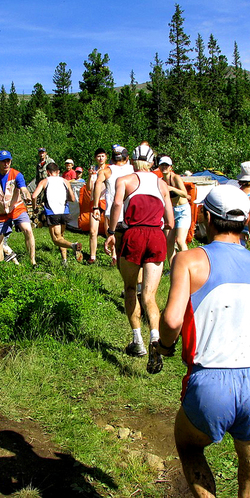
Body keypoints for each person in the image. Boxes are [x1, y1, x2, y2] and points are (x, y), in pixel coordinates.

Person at [155, 185, 250, 498]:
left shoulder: (189, 260)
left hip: (210, 381)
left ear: (207, 217)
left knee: (188, 444)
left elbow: (172, 321)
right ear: (243, 222)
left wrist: (166, 346)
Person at [104, 144, 173, 373]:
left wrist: (112, 233)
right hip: (156, 236)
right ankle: (155, 337)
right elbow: (170, 222)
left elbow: (116, 205)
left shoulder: (125, 181)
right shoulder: (161, 184)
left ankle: (138, 341)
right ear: (152, 163)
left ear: (132, 161)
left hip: (134, 234)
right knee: (150, 296)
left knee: (131, 288)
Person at [0, 150, 36, 266]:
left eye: (8, 161)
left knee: (28, 230)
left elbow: (24, 189)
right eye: (3, 161)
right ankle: (0, 269)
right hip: (0, 212)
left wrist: (26, 195)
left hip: (16, 208)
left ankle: (32, 261)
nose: (6, 164)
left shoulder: (17, 175)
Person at [32, 162, 83, 266]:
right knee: (61, 237)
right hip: (65, 211)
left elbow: (34, 196)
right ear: (58, 172)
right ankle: (64, 261)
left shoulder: (45, 181)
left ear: (47, 172)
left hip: (52, 212)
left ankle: (73, 245)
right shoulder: (65, 181)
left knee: (56, 240)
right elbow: (73, 199)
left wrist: (34, 208)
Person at [92, 145, 134, 266]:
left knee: (114, 237)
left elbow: (97, 185)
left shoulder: (106, 171)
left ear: (112, 158)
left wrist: (95, 206)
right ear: (127, 158)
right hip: (130, 211)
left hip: (113, 211)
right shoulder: (133, 170)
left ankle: (116, 258)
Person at [158, 155, 191, 268]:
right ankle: (173, 268)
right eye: (162, 165)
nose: (164, 168)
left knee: (181, 240)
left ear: (171, 167)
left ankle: (188, 266)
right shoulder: (161, 181)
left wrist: (172, 189)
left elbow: (185, 194)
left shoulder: (175, 178)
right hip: (170, 212)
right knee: (169, 241)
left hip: (182, 211)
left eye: (166, 165)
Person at [81, 148, 109, 264]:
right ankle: (93, 256)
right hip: (94, 202)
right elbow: (88, 188)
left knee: (109, 230)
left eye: (102, 156)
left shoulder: (109, 170)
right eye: (98, 156)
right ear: (95, 158)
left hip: (106, 201)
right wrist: (89, 176)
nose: (100, 158)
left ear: (106, 157)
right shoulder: (93, 170)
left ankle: (114, 255)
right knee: (93, 231)